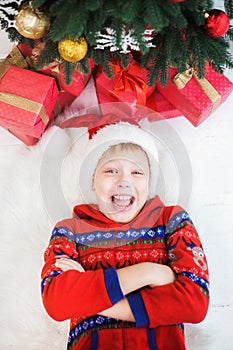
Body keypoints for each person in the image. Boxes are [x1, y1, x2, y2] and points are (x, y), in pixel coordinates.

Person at [41, 120, 209, 350]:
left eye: (137, 172)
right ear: (92, 179)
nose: (124, 181)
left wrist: (91, 299)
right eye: (111, 170)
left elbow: (194, 302)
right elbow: (57, 301)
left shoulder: (172, 220)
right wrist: (149, 272)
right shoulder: (70, 230)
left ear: (149, 183)